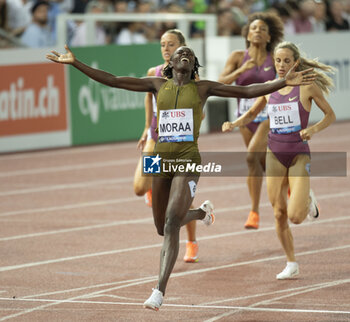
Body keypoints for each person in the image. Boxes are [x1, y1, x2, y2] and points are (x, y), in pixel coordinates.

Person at [46, 43, 314, 310]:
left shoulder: (202, 88)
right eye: (179, 53)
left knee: (173, 221)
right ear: (171, 63)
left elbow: (245, 90)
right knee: (162, 227)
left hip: (188, 159)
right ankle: (200, 213)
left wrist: (281, 82)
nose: (184, 54)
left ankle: (159, 291)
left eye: (189, 53)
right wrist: (75, 63)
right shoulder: (156, 85)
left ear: (193, 64)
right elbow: (114, 80)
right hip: (158, 160)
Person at [222, 41, 336, 279]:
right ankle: (291, 262)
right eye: (277, 60)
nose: (281, 65)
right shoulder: (269, 87)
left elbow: (330, 115)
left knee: (296, 216)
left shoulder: (307, 87)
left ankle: (307, 201)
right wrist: (234, 124)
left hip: (298, 153)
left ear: (295, 62)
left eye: (286, 61)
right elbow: (252, 113)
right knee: (278, 213)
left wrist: (313, 130)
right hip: (274, 153)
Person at [134, 29, 200, 263]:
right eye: (162, 44)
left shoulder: (190, 74)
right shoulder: (154, 73)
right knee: (139, 187)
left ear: (182, 47)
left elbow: (197, 106)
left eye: (171, 44)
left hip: (181, 144)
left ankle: (191, 242)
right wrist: (146, 128)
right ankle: (156, 188)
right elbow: (147, 95)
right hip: (156, 138)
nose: (165, 48)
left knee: (181, 200)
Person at [218, 12, 284, 230]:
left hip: (269, 116)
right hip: (245, 117)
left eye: (263, 29)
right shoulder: (238, 56)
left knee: (250, 156)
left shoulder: (275, 57)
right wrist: (240, 70)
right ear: (247, 33)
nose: (257, 31)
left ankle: (254, 211)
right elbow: (220, 84)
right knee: (260, 163)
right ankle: (290, 184)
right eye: (254, 28)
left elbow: (286, 83)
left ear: (268, 37)